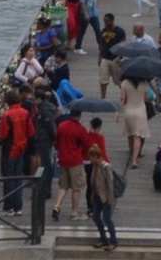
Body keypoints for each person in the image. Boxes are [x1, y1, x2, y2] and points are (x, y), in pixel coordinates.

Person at [0, 93, 38, 213]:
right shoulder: (25, 113)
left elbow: (2, 135)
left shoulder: (7, 115)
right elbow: (31, 132)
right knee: (18, 178)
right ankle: (18, 207)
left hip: (9, 150)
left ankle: (8, 206)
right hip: (21, 149)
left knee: (8, 178)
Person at [84, 116, 120, 250]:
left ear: (95, 157)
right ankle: (103, 239)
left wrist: (110, 200)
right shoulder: (94, 167)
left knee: (107, 219)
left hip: (106, 197)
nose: (89, 159)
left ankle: (113, 241)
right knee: (96, 217)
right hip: (98, 196)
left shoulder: (105, 167)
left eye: (91, 157)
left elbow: (110, 183)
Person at [55, 106, 91, 219]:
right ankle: (74, 212)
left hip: (63, 159)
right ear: (79, 115)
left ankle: (57, 205)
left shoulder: (61, 126)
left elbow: (57, 142)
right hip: (75, 160)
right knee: (76, 187)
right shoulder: (80, 129)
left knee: (63, 186)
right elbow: (87, 145)